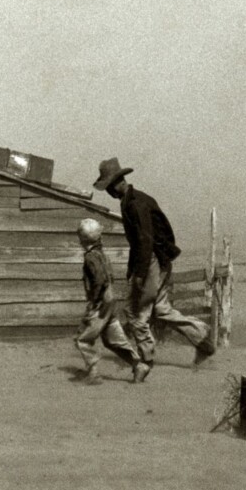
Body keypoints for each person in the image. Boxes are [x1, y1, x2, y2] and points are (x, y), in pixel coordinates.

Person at [93, 158, 215, 381]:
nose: (108, 192)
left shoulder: (135, 204)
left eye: (109, 187)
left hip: (152, 261)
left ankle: (145, 361)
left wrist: (139, 275)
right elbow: (140, 243)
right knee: (162, 309)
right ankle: (202, 338)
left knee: (136, 313)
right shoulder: (132, 200)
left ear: (117, 183)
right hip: (156, 260)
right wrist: (134, 270)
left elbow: (145, 241)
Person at [74, 218, 141, 383]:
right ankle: (138, 365)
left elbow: (99, 279)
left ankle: (93, 373)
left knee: (83, 339)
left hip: (101, 302)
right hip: (110, 301)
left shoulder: (90, 257)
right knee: (113, 339)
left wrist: (95, 302)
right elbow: (108, 276)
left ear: (82, 238)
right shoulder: (102, 254)